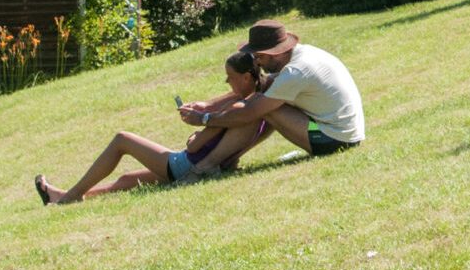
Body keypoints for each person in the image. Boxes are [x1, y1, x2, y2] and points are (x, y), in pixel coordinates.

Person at [34, 50, 272, 204]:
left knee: (122, 139)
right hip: (209, 167)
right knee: (128, 179)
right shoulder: (257, 106)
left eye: (230, 77)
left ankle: (71, 197)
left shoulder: (234, 112)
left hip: (188, 167)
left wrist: (196, 133)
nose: (227, 82)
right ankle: (63, 195)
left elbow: (195, 146)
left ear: (246, 78)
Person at [180, 19, 364, 160]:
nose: (256, 62)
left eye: (259, 56)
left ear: (276, 52)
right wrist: (208, 105)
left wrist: (204, 119)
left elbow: (249, 113)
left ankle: (212, 162)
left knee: (264, 108)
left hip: (334, 140)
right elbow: (262, 84)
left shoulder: (296, 71)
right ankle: (220, 159)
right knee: (265, 99)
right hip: (344, 134)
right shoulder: (302, 54)